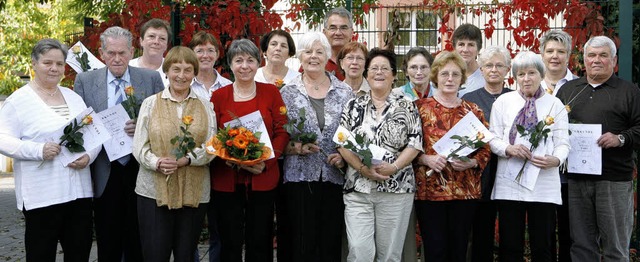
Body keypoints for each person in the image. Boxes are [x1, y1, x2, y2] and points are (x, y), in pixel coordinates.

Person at [0, 38, 99, 262]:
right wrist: (38, 150)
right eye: (47, 63)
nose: (54, 68)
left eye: (59, 63)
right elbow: (2, 139)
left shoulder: (74, 98)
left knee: (79, 253)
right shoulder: (19, 101)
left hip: (78, 193)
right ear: (34, 64)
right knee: (41, 255)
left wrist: (88, 157)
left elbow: (95, 135)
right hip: (42, 195)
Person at [74, 26, 165, 261]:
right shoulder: (85, 80)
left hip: (140, 167)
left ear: (132, 51)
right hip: (104, 168)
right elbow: (80, 124)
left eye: (122, 53)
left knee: (139, 238)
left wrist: (143, 127)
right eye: (111, 53)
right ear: (102, 53)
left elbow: (164, 119)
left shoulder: (151, 78)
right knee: (108, 239)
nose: (117, 58)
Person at [556, 36, 640, 262]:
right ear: (584, 60)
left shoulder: (629, 92)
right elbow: (553, 127)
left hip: (613, 179)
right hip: (577, 179)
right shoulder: (568, 91)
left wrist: (621, 138)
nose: (596, 60)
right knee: (581, 246)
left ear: (613, 60)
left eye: (603, 55)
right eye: (591, 55)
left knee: (615, 247)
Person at [338, 48, 423, 261]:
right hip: (358, 188)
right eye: (374, 68)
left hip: (396, 189)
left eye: (385, 68)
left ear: (394, 75)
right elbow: (342, 142)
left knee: (389, 256)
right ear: (366, 74)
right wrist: (361, 168)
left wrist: (394, 167)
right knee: (359, 251)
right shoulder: (353, 105)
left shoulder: (407, 105)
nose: (379, 72)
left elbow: (414, 143)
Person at [132, 46, 215, 261]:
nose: (181, 75)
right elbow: (139, 146)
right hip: (153, 191)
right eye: (176, 69)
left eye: (188, 70)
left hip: (193, 190)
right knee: (154, 254)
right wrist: (158, 162)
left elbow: (212, 145)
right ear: (166, 70)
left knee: (185, 254)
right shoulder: (150, 104)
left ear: (195, 73)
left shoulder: (206, 106)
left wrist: (187, 160)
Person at [209, 39, 289, 262]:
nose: (244, 66)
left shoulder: (271, 92)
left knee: (260, 240)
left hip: (263, 176)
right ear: (230, 64)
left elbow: (283, 131)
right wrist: (227, 155)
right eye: (239, 60)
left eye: (250, 60)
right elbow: (211, 135)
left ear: (258, 63)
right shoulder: (218, 97)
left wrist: (266, 162)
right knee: (229, 240)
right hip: (226, 179)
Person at [488, 51, 570, 261]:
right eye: (521, 74)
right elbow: (493, 139)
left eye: (531, 73)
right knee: (510, 245)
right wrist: (509, 149)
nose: (526, 79)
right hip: (509, 183)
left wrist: (556, 160)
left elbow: (563, 143)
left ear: (541, 74)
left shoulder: (555, 104)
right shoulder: (503, 103)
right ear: (515, 77)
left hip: (543, 183)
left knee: (542, 245)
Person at [279, 32, 354, 261]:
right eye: (308, 52)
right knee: (302, 242)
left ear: (327, 56)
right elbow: (279, 135)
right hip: (299, 177)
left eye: (319, 52)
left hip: (334, 175)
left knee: (329, 241)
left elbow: (352, 134)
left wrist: (344, 157)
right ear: (300, 56)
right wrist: (294, 147)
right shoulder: (287, 92)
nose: (313, 57)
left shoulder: (344, 92)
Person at [413, 51, 490, 262]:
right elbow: (408, 147)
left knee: (459, 250)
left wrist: (472, 162)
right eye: (444, 74)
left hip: (464, 192)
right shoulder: (419, 109)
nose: (449, 79)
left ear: (462, 78)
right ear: (435, 76)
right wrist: (425, 159)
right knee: (435, 250)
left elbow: (485, 149)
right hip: (430, 192)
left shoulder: (473, 111)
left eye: (455, 74)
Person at [461, 45, 512, 262]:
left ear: (508, 69)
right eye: (488, 65)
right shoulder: (469, 100)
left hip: (511, 170)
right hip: (479, 174)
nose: (493, 69)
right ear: (480, 69)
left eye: (499, 65)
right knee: (481, 230)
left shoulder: (516, 98)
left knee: (510, 231)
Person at [187, 30, 232, 262]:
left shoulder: (228, 86)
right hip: (191, 163)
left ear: (217, 54)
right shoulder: (183, 84)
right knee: (190, 227)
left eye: (210, 50)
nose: (205, 55)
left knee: (220, 226)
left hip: (222, 165)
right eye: (200, 50)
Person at [539, 29, 577, 262]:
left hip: (572, 172)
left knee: (570, 228)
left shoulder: (580, 86)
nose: (555, 56)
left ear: (569, 55)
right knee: (542, 230)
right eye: (550, 51)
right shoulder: (528, 85)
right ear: (541, 54)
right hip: (540, 168)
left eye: (561, 51)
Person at [129, 18, 171, 87]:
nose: (156, 42)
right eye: (151, 36)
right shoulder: (128, 67)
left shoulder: (173, 70)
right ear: (141, 41)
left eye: (162, 38)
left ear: (166, 45)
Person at [318, 7, 354, 80]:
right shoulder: (314, 59)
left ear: (351, 33)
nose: (338, 33)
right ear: (324, 33)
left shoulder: (360, 61)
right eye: (333, 28)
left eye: (343, 28)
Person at [453, 24, 485, 97]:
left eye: (471, 45)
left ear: (478, 49)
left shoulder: (485, 77)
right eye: (461, 44)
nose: (465, 50)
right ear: (454, 48)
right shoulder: (444, 74)